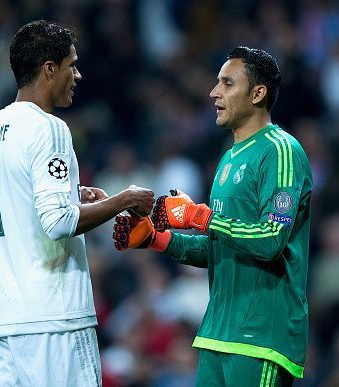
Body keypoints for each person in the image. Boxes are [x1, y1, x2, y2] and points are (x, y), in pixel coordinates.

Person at [113, 46, 313, 386]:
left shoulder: (281, 151)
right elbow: (219, 248)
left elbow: (269, 240)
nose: (213, 92)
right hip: (216, 333)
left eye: (227, 83)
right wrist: (157, 238)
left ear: (257, 93)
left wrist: (200, 217)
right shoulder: (229, 159)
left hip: (261, 336)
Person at [0, 20, 154, 386]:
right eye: (72, 65)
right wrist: (124, 199)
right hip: (53, 319)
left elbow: (20, 203)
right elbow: (58, 222)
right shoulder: (48, 127)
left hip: (4, 320)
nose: (79, 75)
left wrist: (72, 194)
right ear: (49, 69)